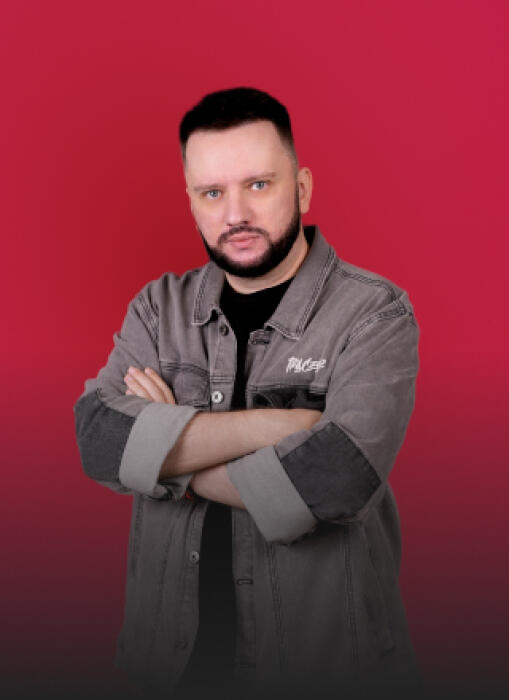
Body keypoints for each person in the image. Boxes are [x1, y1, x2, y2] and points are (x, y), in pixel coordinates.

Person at [74, 87, 420, 700]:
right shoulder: (158, 309)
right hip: (168, 670)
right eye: (212, 193)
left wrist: (161, 455)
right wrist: (273, 427)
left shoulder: (374, 314)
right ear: (192, 202)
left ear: (302, 188)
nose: (235, 212)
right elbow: (99, 441)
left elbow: (335, 482)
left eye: (258, 184)